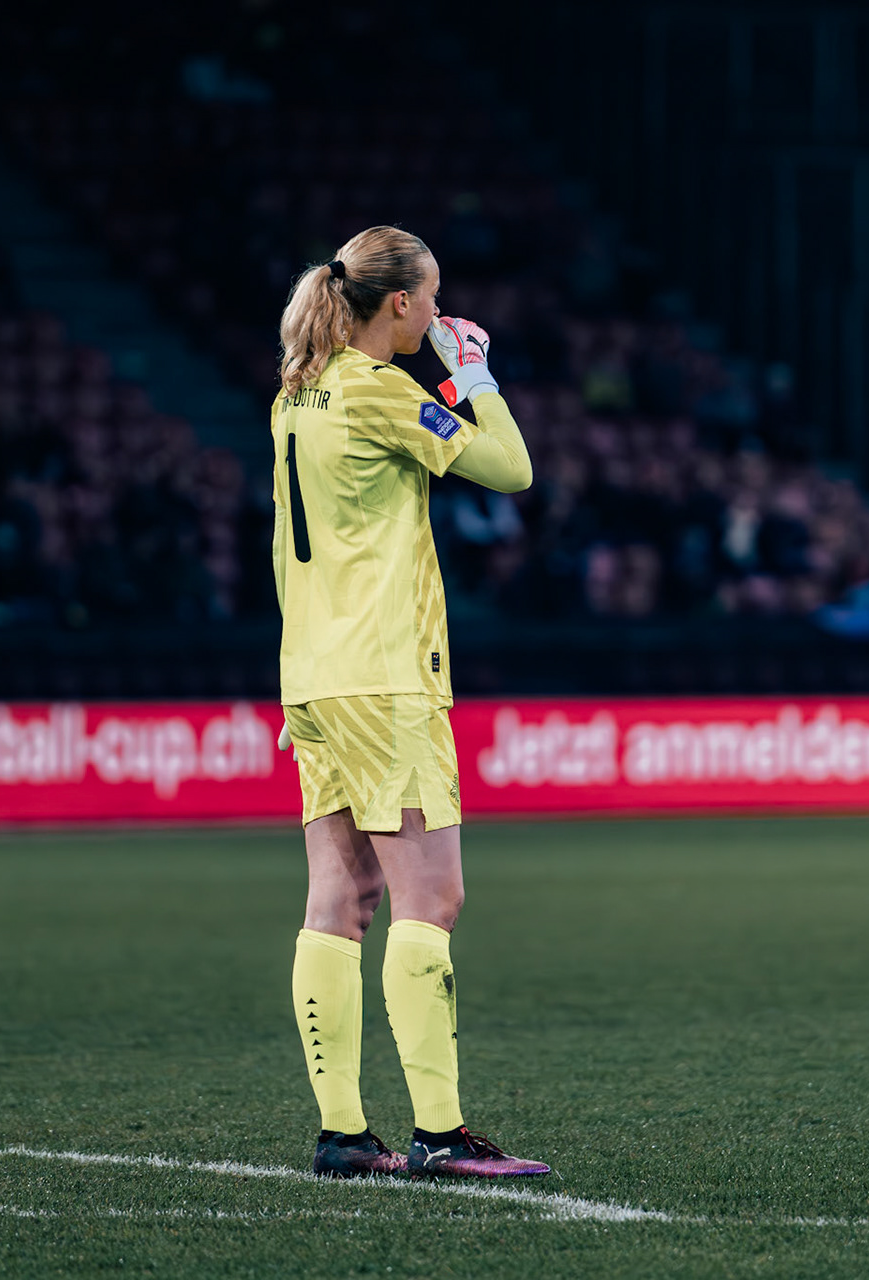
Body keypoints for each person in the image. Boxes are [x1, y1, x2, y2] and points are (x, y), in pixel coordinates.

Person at [270, 226, 548, 1180]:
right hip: (385, 676)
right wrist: (471, 373)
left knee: (339, 897)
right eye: (432, 300)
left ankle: (344, 1135)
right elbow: (510, 470)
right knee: (433, 894)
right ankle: (439, 1134)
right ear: (398, 305)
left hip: (312, 675)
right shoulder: (384, 392)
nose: (439, 313)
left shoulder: (296, 393)